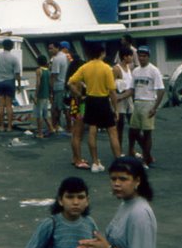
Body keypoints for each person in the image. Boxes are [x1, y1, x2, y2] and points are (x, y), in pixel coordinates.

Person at [68, 43, 121, 173]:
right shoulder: (107, 68)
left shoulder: (85, 67)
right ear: (102, 53)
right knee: (112, 131)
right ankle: (119, 162)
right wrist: (116, 109)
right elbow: (112, 91)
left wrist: (79, 94)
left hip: (90, 100)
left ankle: (95, 162)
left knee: (92, 130)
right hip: (103, 100)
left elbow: (70, 82)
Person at [126, 46, 164, 168]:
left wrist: (155, 107)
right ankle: (136, 153)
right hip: (137, 103)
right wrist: (119, 97)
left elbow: (161, 90)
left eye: (144, 56)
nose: (141, 58)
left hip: (148, 103)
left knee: (147, 133)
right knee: (133, 131)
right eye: (140, 56)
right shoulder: (135, 71)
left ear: (148, 57)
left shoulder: (154, 70)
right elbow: (132, 89)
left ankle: (146, 159)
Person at [0, 38, 21, 133]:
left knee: (0, 105)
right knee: (9, 105)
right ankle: (9, 126)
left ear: (3, 46)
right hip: (10, 82)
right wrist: (19, 85)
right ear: (12, 47)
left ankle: (1, 126)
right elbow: (17, 73)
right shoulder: (14, 58)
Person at [112, 48, 135, 151]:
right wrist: (115, 98)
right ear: (125, 57)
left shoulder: (129, 67)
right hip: (120, 99)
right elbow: (111, 84)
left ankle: (131, 149)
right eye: (130, 56)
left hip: (128, 98)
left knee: (133, 125)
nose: (131, 58)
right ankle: (118, 149)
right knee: (119, 126)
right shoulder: (116, 69)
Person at [49, 42, 70, 132]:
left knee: (56, 108)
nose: (50, 51)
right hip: (66, 85)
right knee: (66, 108)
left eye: (51, 48)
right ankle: (69, 126)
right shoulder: (66, 57)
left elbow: (54, 75)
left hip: (58, 86)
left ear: (58, 48)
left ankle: (55, 126)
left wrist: (50, 88)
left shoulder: (57, 59)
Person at [34, 55, 55, 138]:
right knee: (46, 114)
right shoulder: (48, 71)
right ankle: (51, 128)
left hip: (40, 95)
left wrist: (35, 95)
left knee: (39, 115)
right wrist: (50, 94)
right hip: (46, 95)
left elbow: (38, 83)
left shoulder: (39, 70)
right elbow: (50, 84)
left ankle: (40, 133)